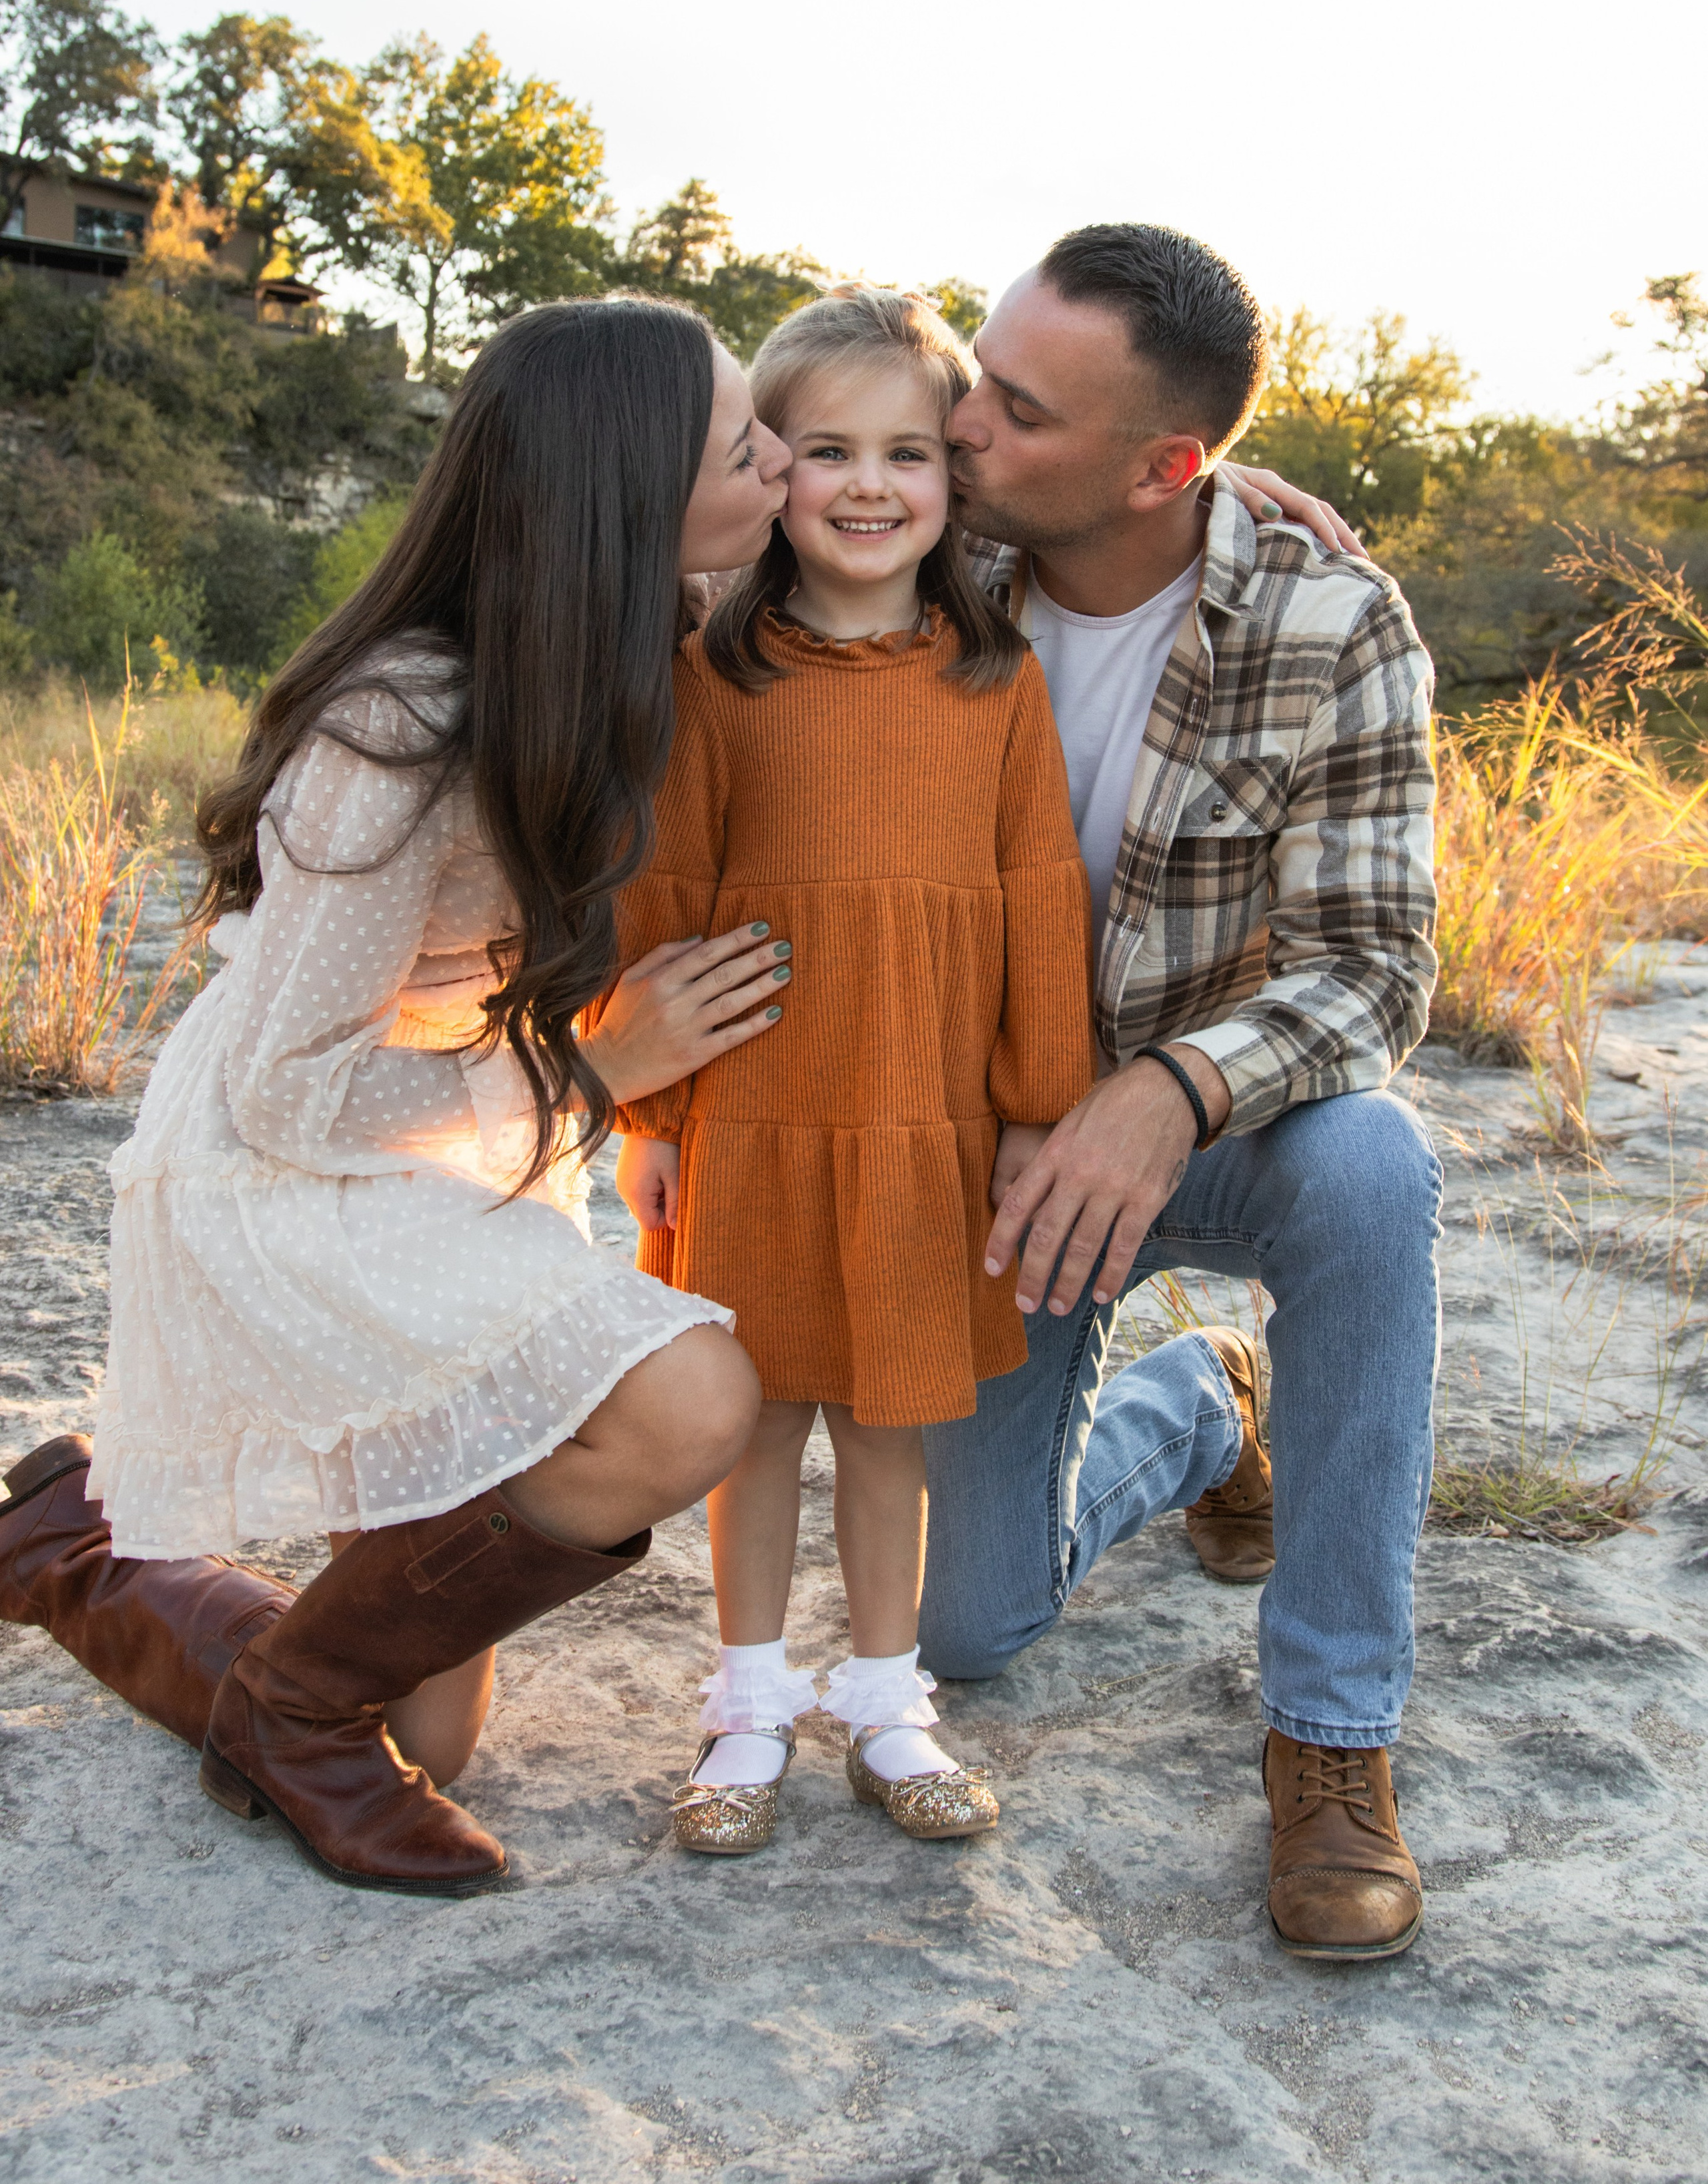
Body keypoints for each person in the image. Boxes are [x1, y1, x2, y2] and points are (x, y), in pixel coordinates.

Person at [0, 296, 804, 1897]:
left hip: (453, 1136)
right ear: (628, 492)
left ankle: (62, 1546)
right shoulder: (402, 724)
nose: (783, 457)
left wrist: (1226, 502)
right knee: (688, 1394)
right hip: (285, 1174)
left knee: (428, 1741)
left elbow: (925, 523)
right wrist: (590, 1069)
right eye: (746, 441)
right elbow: (290, 1091)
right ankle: (295, 1716)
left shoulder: (652, 617)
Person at [915, 224, 1440, 1963]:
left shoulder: (1329, 615)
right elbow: (737, 461)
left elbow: (1376, 969)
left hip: (1202, 1142)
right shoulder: (911, 544)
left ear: (1167, 465)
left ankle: (1335, 1743)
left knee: (1371, 1170)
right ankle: (1208, 1410)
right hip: (985, 1164)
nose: (962, 426)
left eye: (1015, 409)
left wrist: (1169, 1089)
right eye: (975, 376)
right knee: (966, 1629)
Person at [605, 290, 1097, 1854]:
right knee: (750, 1425)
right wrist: (655, 1119)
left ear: (953, 480)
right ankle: (746, 1705)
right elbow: (664, 899)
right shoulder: (715, 675)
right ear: (768, 469)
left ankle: (885, 1702)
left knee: (891, 1428)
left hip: (922, 1124)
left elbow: (1038, 900)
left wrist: (1033, 1115)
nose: (868, 485)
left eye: (906, 451)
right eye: (824, 449)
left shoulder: (994, 677)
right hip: (751, 1117)